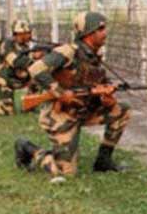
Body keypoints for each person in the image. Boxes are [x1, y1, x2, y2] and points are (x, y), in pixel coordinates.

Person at [13, 11, 132, 182]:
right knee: (65, 173)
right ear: (88, 32)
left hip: (82, 110)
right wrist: (61, 93)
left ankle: (103, 161)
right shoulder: (68, 52)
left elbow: (97, 81)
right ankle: (28, 148)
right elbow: (35, 69)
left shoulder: (95, 56)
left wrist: (107, 96)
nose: (105, 33)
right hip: (60, 115)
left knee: (122, 110)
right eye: (101, 29)